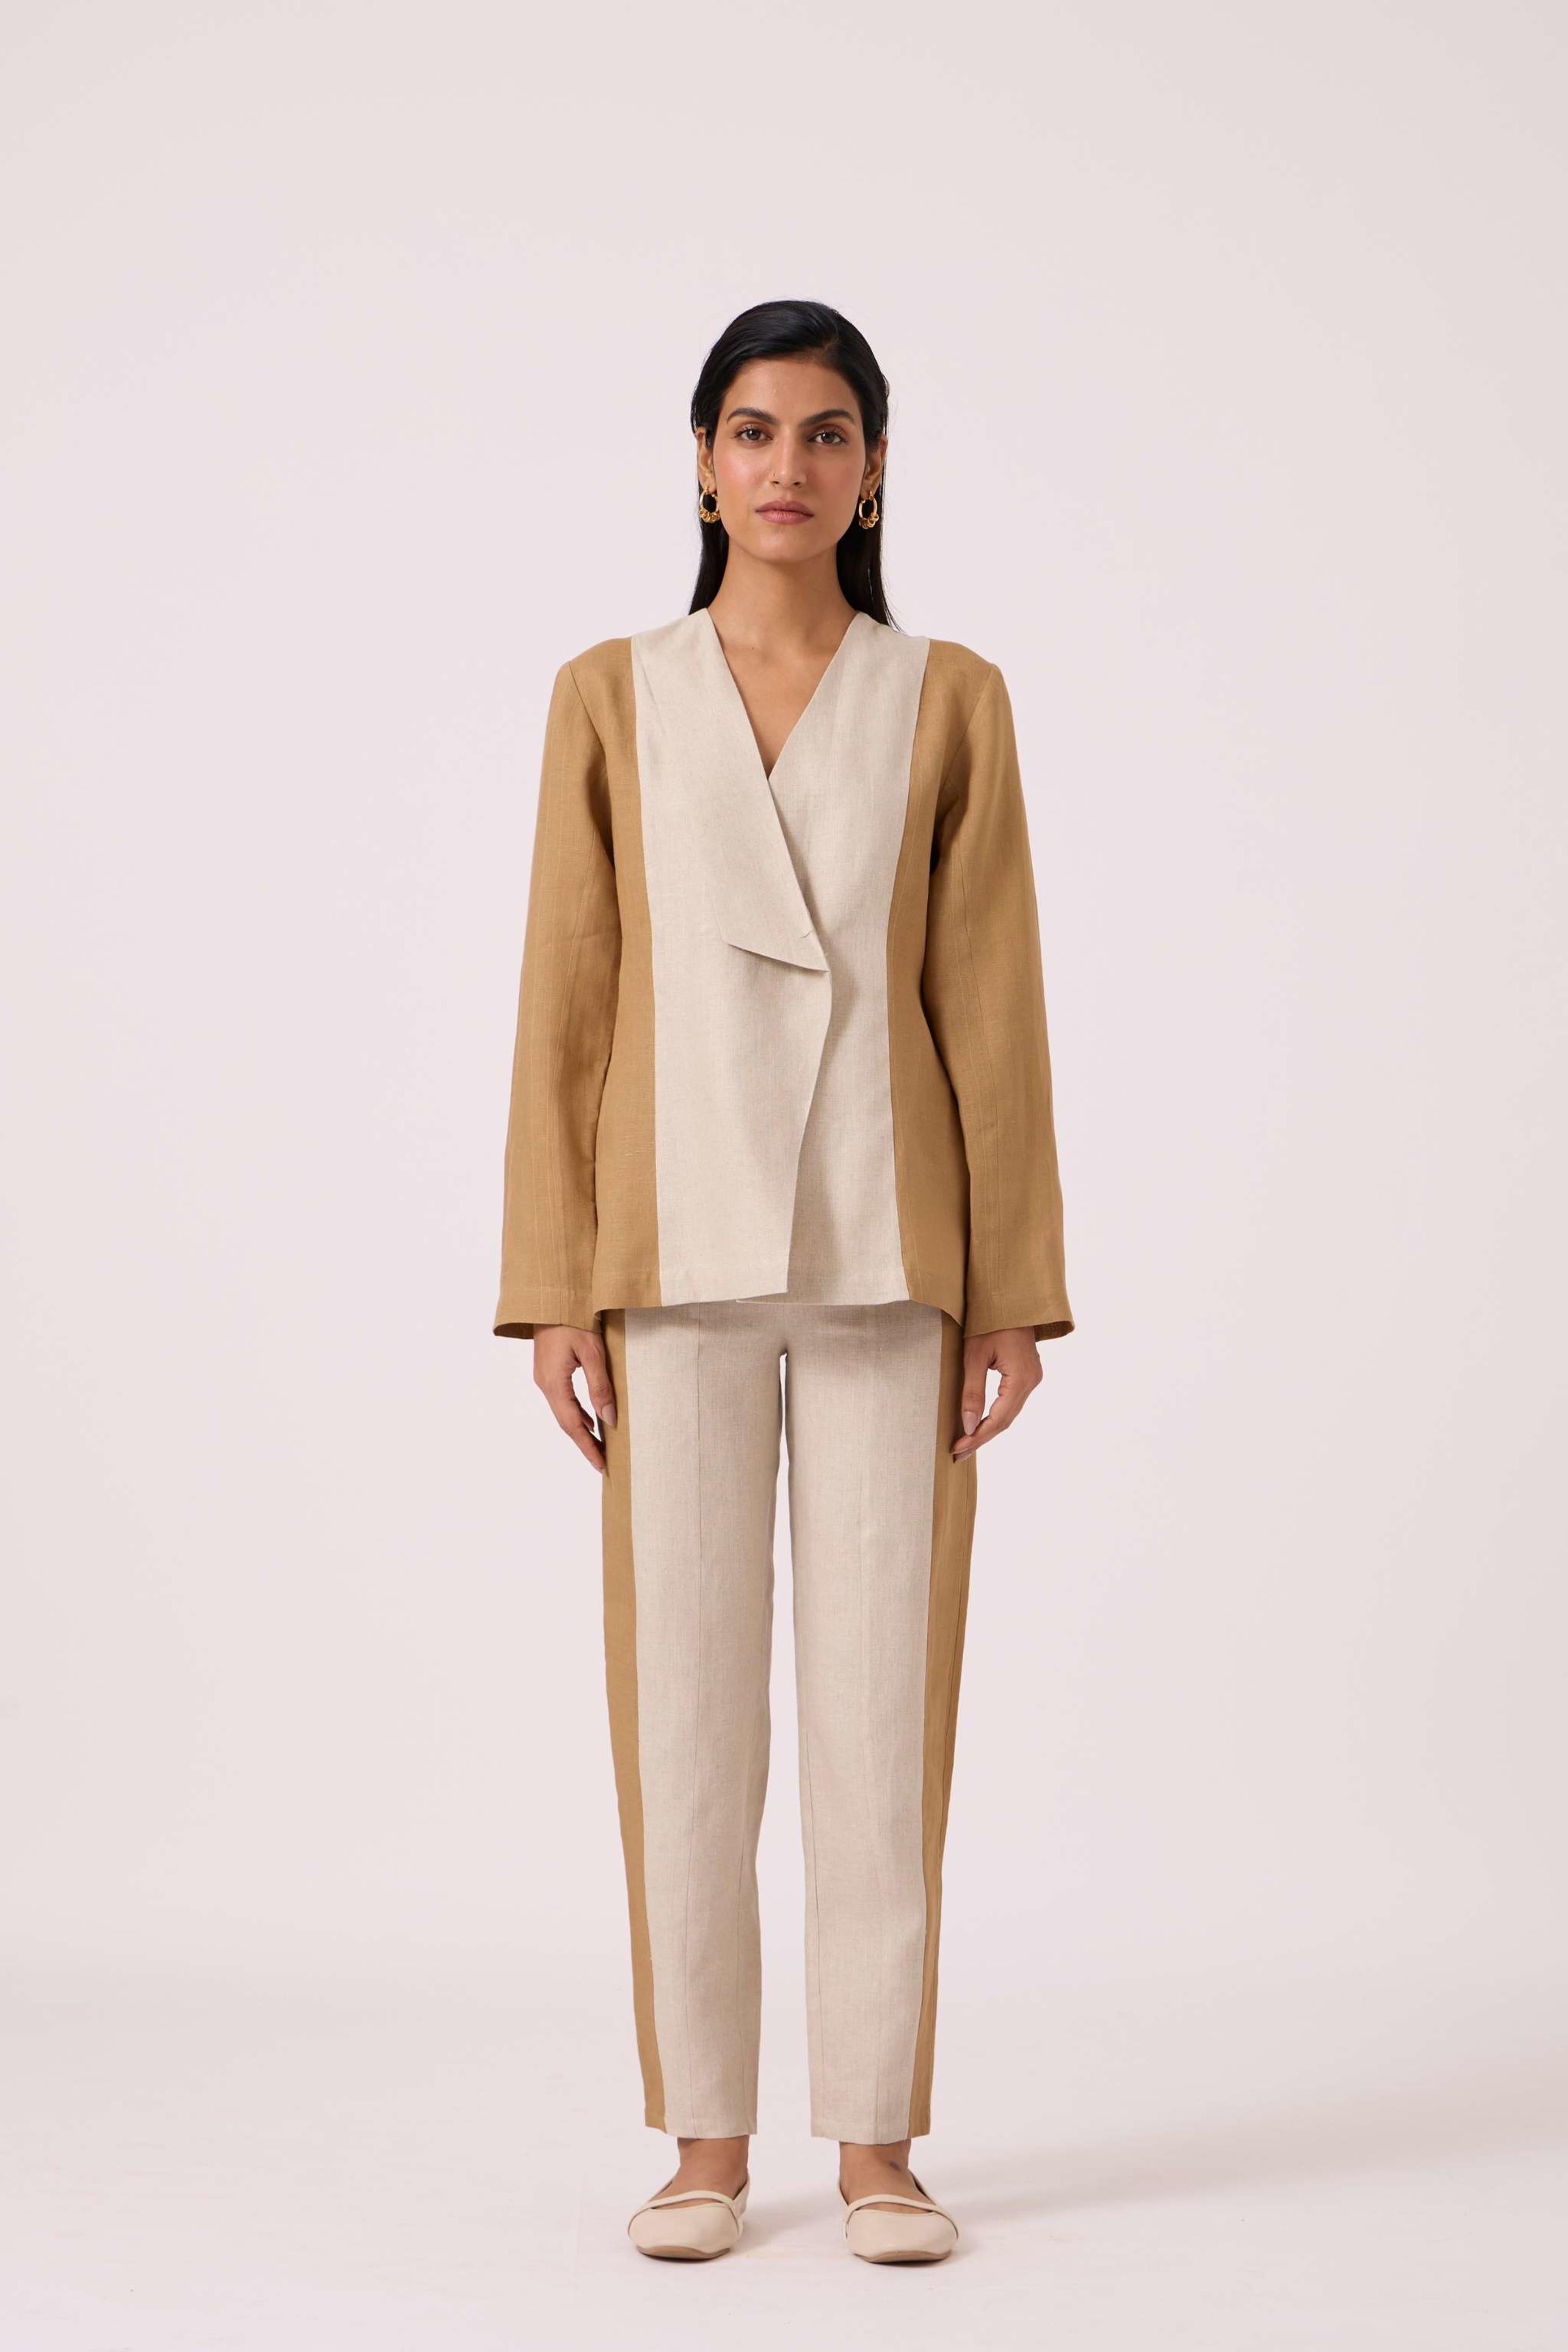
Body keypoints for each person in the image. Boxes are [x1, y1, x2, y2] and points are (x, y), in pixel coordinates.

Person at [492, 298, 1073, 2266]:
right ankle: (704, 2137)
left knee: (880, 1705)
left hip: (890, 1249)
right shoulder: (610, 693)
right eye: (752, 430)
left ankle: (880, 2140)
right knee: (684, 1701)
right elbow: (566, 996)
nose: (787, 466)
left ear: (875, 468)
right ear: (699, 459)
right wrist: (553, 1286)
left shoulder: (946, 696)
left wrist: (1012, 1287)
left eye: (826, 433)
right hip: (667, 1246)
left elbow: (988, 997)